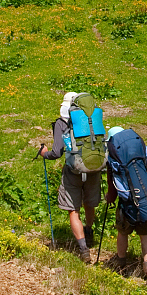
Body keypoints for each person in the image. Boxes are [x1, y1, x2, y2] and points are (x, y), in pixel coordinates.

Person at [37, 91, 102, 264]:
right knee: (89, 202)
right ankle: (89, 233)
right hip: (93, 165)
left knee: (73, 208)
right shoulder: (91, 119)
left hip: (73, 169)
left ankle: (83, 249)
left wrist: (45, 154)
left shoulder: (61, 122)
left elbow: (57, 152)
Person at [105, 125, 147, 282]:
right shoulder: (140, 148)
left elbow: (113, 183)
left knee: (122, 231)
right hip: (146, 198)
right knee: (145, 233)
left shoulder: (113, 155)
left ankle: (121, 262)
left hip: (127, 202)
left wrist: (110, 197)